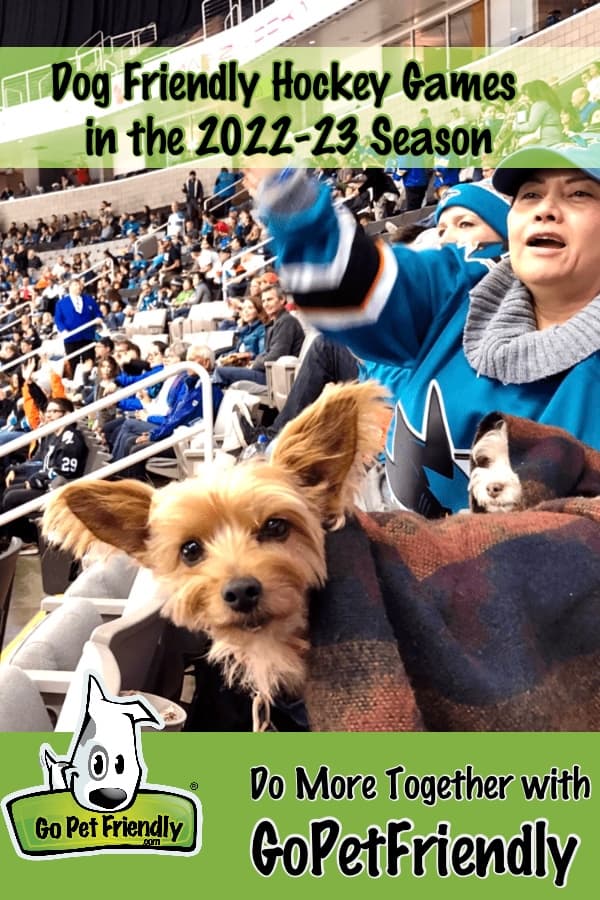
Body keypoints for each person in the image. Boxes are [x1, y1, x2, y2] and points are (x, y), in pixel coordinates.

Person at [246, 142, 600, 516]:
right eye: (530, 195)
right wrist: (288, 194)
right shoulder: (459, 290)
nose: (545, 209)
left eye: (579, 193)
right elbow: (346, 282)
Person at [212, 285, 304, 389]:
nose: (266, 304)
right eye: (263, 301)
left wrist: (254, 365)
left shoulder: (287, 322)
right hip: (267, 372)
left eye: (269, 299)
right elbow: (266, 353)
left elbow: (275, 356)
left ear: (282, 299)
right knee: (218, 370)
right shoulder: (277, 322)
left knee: (220, 372)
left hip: (273, 378)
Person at [53, 278, 101, 365]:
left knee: (89, 361)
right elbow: (58, 319)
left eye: (79, 285)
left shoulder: (89, 299)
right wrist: (63, 330)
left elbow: (97, 312)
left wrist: (98, 318)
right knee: (73, 364)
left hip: (87, 336)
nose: (78, 287)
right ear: (70, 287)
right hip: (71, 338)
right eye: (76, 284)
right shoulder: (61, 303)